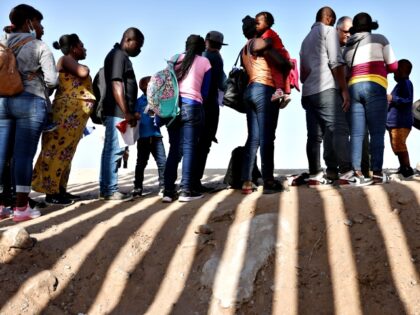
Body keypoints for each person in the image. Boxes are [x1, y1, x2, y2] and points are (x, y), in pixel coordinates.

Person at [0, 4, 58, 222]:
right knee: (23, 155)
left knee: (2, 155)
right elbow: (52, 81)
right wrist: (40, 82)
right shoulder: (39, 46)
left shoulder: (2, 43)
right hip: (31, 101)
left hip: (3, 101)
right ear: (29, 23)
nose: (41, 27)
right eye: (39, 22)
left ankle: (2, 205)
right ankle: (21, 208)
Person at [32, 33, 95, 205]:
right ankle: (51, 192)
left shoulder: (68, 61)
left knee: (66, 152)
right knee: (56, 150)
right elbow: (83, 72)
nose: (84, 49)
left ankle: (60, 189)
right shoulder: (65, 59)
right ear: (74, 47)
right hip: (66, 114)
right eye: (81, 45)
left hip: (73, 116)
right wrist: (85, 66)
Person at [299, 7, 357, 186]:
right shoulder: (329, 31)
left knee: (314, 136)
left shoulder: (305, 40)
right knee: (339, 128)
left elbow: (303, 73)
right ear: (330, 18)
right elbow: (335, 62)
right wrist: (344, 90)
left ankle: (316, 174)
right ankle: (347, 171)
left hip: (309, 92)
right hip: (326, 89)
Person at [343, 12, 398, 184]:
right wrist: (381, 69)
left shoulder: (347, 46)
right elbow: (394, 66)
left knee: (357, 134)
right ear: (370, 26)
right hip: (374, 85)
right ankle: (377, 174)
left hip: (354, 87)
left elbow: (345, 73)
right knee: (376, 133)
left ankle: (356, 174)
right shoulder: (380, 39)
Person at [162, 34, 211, 203]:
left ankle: (168, 191)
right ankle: (185, 190)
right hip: (192, 106)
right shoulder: (205, 62)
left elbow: (165, 84)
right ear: (202, 47)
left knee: (174, 148)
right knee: (189, 148)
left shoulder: (174, 59)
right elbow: (205, 91)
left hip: (172, 107)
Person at [240, 15, 284, 194]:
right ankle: (268, 180)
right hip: (264, 89)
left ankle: (247, 181)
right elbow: (281, 62)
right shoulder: (257, 42)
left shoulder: (243, 49)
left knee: (253, 138)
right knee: (267, 137)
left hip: (249, 91)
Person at [99, 27, 144, 201]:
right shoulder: (118, 55)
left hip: (117, 111)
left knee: (110, 150)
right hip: (118, 111)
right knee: (115, 150)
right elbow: (117, 83)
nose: (139, 50)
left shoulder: (119, 55)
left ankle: (106, 188)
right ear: (128, 40)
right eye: (138, 45)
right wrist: (127, 112)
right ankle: (110, 190)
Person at [336, 16, 371, 178]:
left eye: (351, 32)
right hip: (338, 97)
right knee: (337, 133)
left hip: (355, 96)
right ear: (337, 30)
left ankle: (363, 169)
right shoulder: (332, 49)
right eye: (345, 32)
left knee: (362, 133)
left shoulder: (355, 48)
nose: (349, 35)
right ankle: (341, 170)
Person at [193, 30, 227, 193]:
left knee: (192, 143)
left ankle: (188, 180)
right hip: (209, 105)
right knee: (204, 143)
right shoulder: (215, 58)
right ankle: (195, 181)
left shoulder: (197, 57)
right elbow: (222, 83)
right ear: (219, 45)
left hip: (194, 104)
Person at [132, 76, 166, 197]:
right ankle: (137, 187)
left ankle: (163, 186)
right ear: (146, 87)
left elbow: (164, 114)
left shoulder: (158, 100)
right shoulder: (138, 102)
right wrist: (135, 115)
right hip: (143, 138)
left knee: (162, 162)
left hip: (156, 136)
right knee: (141, 163)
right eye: (153, 84)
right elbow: (133, 116)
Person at [255, 11, 292, 107]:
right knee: (284, 75)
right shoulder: (268, 32)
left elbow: (268, 43)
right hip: (283, 53)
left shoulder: (267, 33)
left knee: (276, 72)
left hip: (279, 53)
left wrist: (257, 49)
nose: (256, 26)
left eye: (258, 23)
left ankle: (279, 90)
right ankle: (286, 95)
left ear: (267, 24)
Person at [386, 59, 415, 179]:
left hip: (401, 122)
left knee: (399, 145)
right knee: (396, 145)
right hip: (394, 123)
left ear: (402, 71)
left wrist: (392, 98)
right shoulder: (400, 85)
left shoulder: (406, 83)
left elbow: (408, 100)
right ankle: (403, 166)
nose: (393, 74)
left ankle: (407, 168)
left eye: (395, 71)